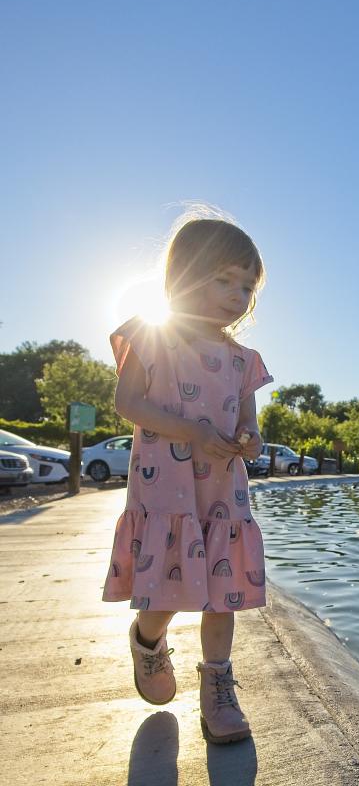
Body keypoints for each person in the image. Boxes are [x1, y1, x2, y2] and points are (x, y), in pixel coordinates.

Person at [102, 216, 273, 745]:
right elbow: (128, 404)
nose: (237, 295)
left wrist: (248, 439)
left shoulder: (244, 360)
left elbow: (252, 425)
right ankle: (148, 641)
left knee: (225, 595)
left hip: (223, 490)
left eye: (247, 286)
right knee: (168, 590)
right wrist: (191, 431)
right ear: (185, 274)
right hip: (168, 488)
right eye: (224, 280)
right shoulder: (149, 336)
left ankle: (218, 684)